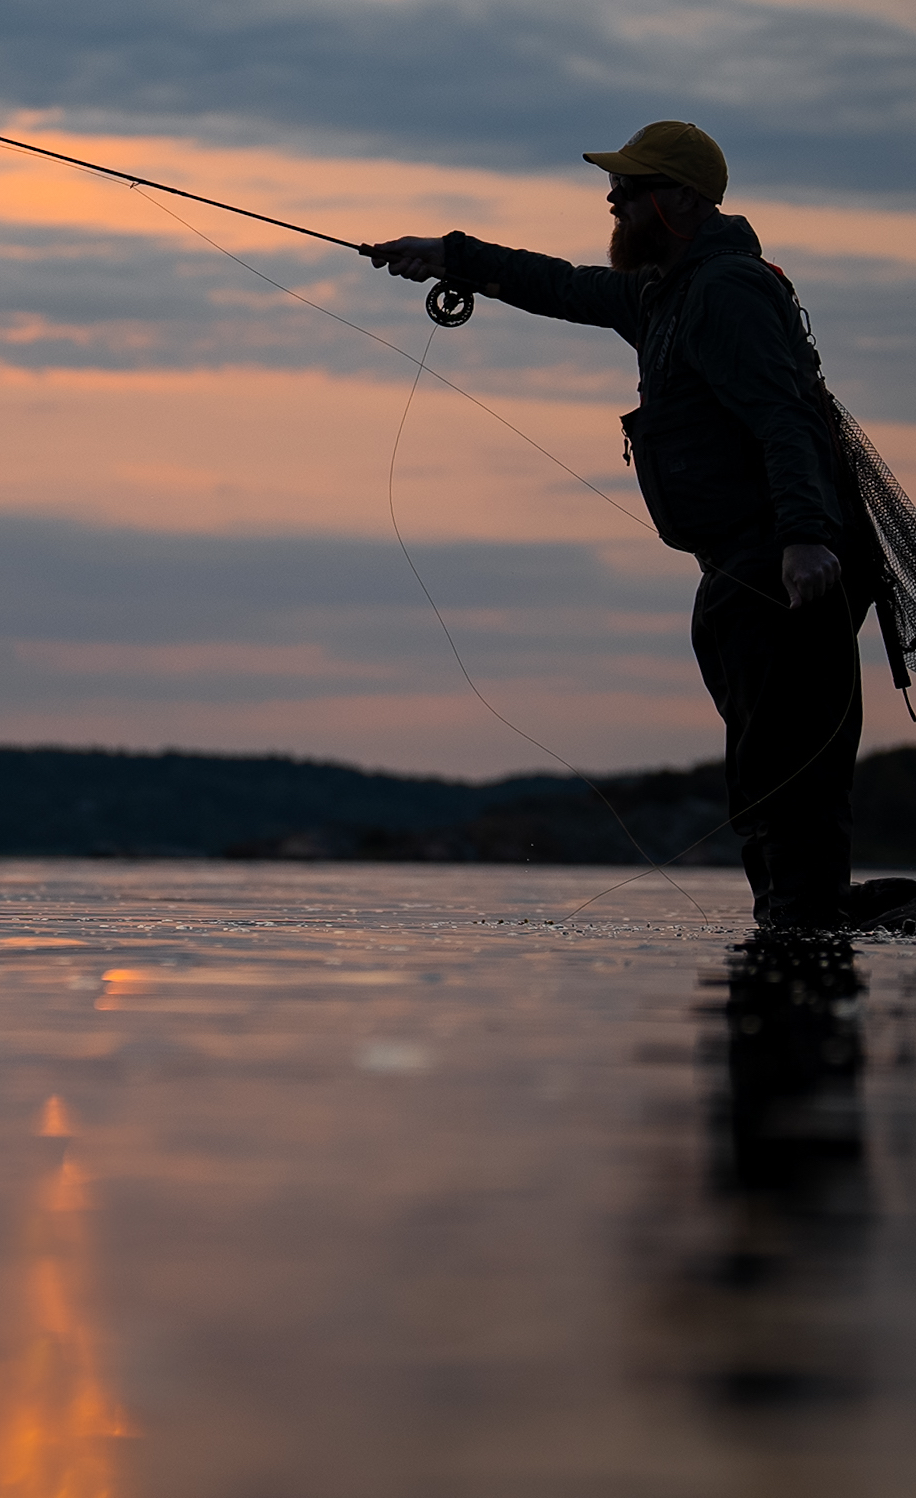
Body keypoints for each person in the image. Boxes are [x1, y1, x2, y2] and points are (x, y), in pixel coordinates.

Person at [363, 120, 875, 931]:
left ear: (675, 201)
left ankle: (806, 950)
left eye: (628, 190)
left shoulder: (725, 291)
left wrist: (807, 538)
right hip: (741, 573)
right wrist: (450, 255)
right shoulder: (665, 295)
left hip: (786, 571)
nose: (612, 200)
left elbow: (789, 419)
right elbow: (561, 287)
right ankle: (788, 950)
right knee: (759, 776)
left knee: (787, 780)